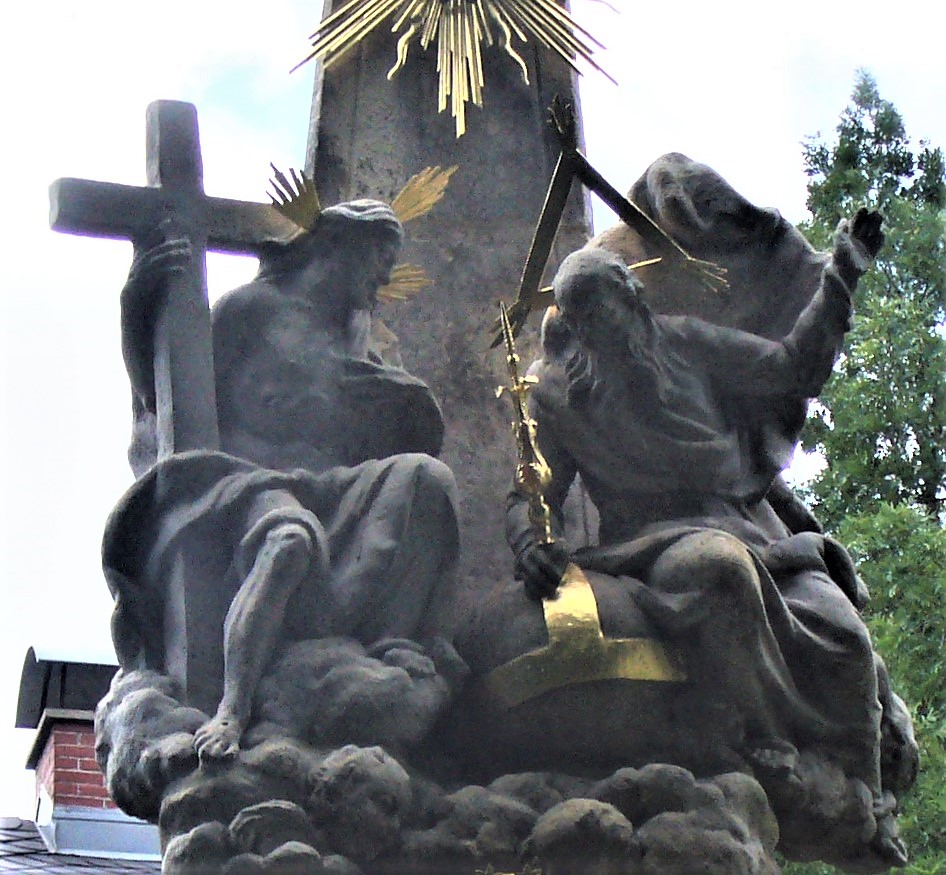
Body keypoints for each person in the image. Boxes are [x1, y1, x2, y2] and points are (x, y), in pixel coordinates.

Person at [505, 208, 913, 867]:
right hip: (652, 543)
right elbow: (532, 492)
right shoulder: (557, 397)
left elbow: (789, 368)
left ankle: (867, 798)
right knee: (717, 570)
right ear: (575, 329)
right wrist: (530, 545)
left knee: (845, 635)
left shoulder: (688, 344)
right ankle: (761, 741)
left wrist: (840, 275)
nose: (607, 328)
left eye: (612, 308)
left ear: (634, 297)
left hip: (750, 526)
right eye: (588, 320)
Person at [106, 200, 460, 762]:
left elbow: (375, 425)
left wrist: (398, 402)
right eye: (379, 257)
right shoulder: (252, 309)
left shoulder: (352, 333)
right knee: (289, 541)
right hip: (242, 481)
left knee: (426, 479)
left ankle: (390, 642)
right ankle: (233, 708)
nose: (385, 276)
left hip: (328, 485)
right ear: (337, 245)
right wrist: (137, 302)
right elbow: (160, 392)